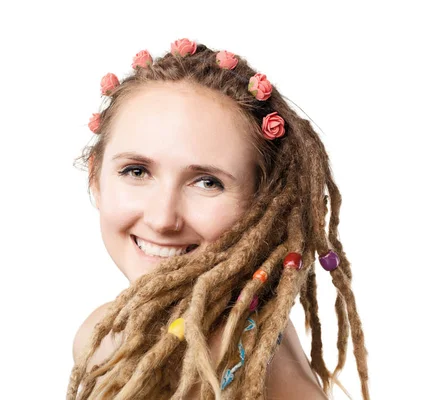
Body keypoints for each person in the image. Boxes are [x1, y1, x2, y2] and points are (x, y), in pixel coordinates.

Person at [67, 38, 369, 400]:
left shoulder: (234, 365)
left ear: (264, 203)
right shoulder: (109, 335)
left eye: (207, 182)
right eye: (136, 171)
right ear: (95, 179)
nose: (163, 219)